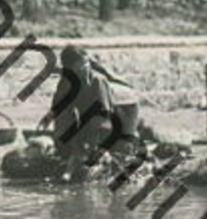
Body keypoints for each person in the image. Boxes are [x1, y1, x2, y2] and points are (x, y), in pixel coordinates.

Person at [49, 46, 141, 179]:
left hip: (125, 105)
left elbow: (103, 120)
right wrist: (70, 144)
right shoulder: (65, 84)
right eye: (79, 67)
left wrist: (91, 146)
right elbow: (60, 115)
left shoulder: (97, 81)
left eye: (86, 64)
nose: (84, 69)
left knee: (121, 150)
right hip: (93, 110)